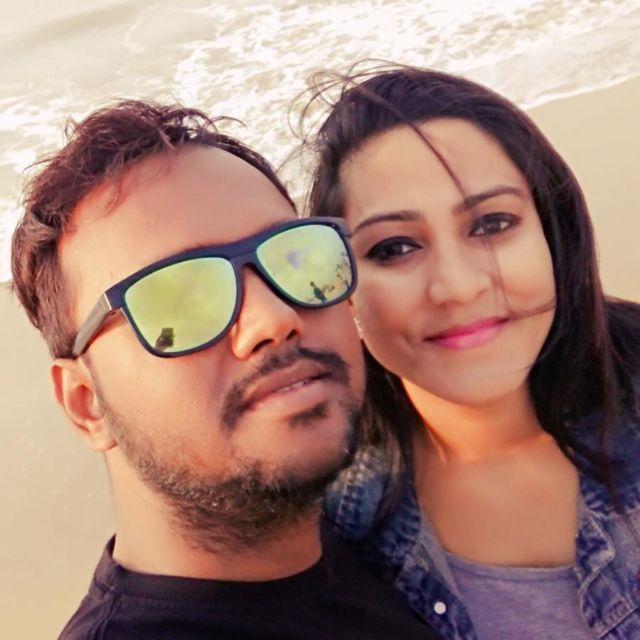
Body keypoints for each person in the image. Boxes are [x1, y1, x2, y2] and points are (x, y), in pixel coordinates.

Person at [11, 99, 438, 639]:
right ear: (86, 403)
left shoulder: (381, 528)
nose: (274, 318)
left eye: (295, 256)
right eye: (181, 298)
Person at [303, 64, 640, 639]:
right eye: (395, 248)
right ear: (344, 288)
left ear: (552, 232)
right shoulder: (325, 522)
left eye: (491, 224)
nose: (457, 287)